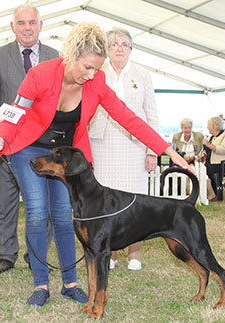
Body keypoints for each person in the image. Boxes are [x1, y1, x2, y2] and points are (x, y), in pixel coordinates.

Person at [0, 22, 195, 307]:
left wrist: (168, 150)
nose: (93, 75)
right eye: (87, 67)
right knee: (37, 212)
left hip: (67, 154)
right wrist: (2, 138)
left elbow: (129, 119)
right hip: (30, 147)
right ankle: (40, 285)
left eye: (97, 68)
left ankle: (71, 284)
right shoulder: (40, 74)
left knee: (64, 216)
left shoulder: (97, 83)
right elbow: (16, 110)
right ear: (70, 56)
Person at [0, 3, 59, 274]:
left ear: (41, 26)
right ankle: (6, 254)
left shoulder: (56, 56)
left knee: (44, 204)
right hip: (7, 142)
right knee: (6, 202)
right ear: (12, 27)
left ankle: (36, 254)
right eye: (21, 23)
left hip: (43, 144)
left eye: (31, 23)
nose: (27, 28)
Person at [88, 27, 158, 271]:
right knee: (106, 201)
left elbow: (151, 114)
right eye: (114, 44)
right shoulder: (97, 73)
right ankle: (111, 253)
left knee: (134, 200)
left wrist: (152, 150)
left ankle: (134, 253)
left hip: (135, 145)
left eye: (124, 44)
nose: (119, 48)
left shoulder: (142, 74)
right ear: (107, 49)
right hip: (102, 144)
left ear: (130, 49)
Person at [197, 116, 225, 201]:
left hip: (221, 164)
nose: (207, 127)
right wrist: (200, 156)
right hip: (210, 162)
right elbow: (205, 150)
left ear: (214, 126)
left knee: (202, 171)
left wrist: (209, 145)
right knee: (197, 169)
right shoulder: (211, 137)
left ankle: (211, 194)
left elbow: (224, 150)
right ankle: (208, 192)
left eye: (208, 125)